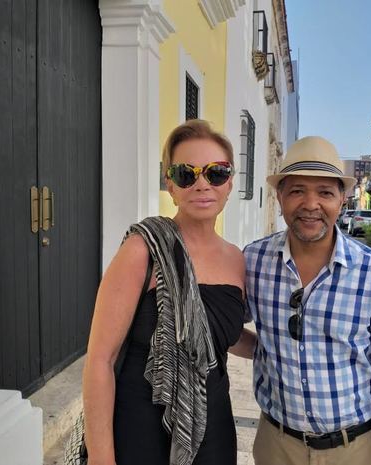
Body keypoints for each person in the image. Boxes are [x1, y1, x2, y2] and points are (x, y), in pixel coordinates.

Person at [82, 119, 253, 465]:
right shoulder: (143, 249)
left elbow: (217, 334)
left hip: (213, 426)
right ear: (170, 185)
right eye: (186, 174)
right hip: (142, 427)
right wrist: (102, 458)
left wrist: (279, 350)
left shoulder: (237, 259)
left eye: (216, 173)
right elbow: (100, 360)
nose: (202, 184)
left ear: (230, 183)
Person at [243, 136, 371, 465]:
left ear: (342, 199)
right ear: (280, 196)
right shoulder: (254, 261)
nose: (311, 204)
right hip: (276, 445)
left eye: (325, 192)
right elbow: (221, 323)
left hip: (354, 448)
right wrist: (268, 346)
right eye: (297, 190)